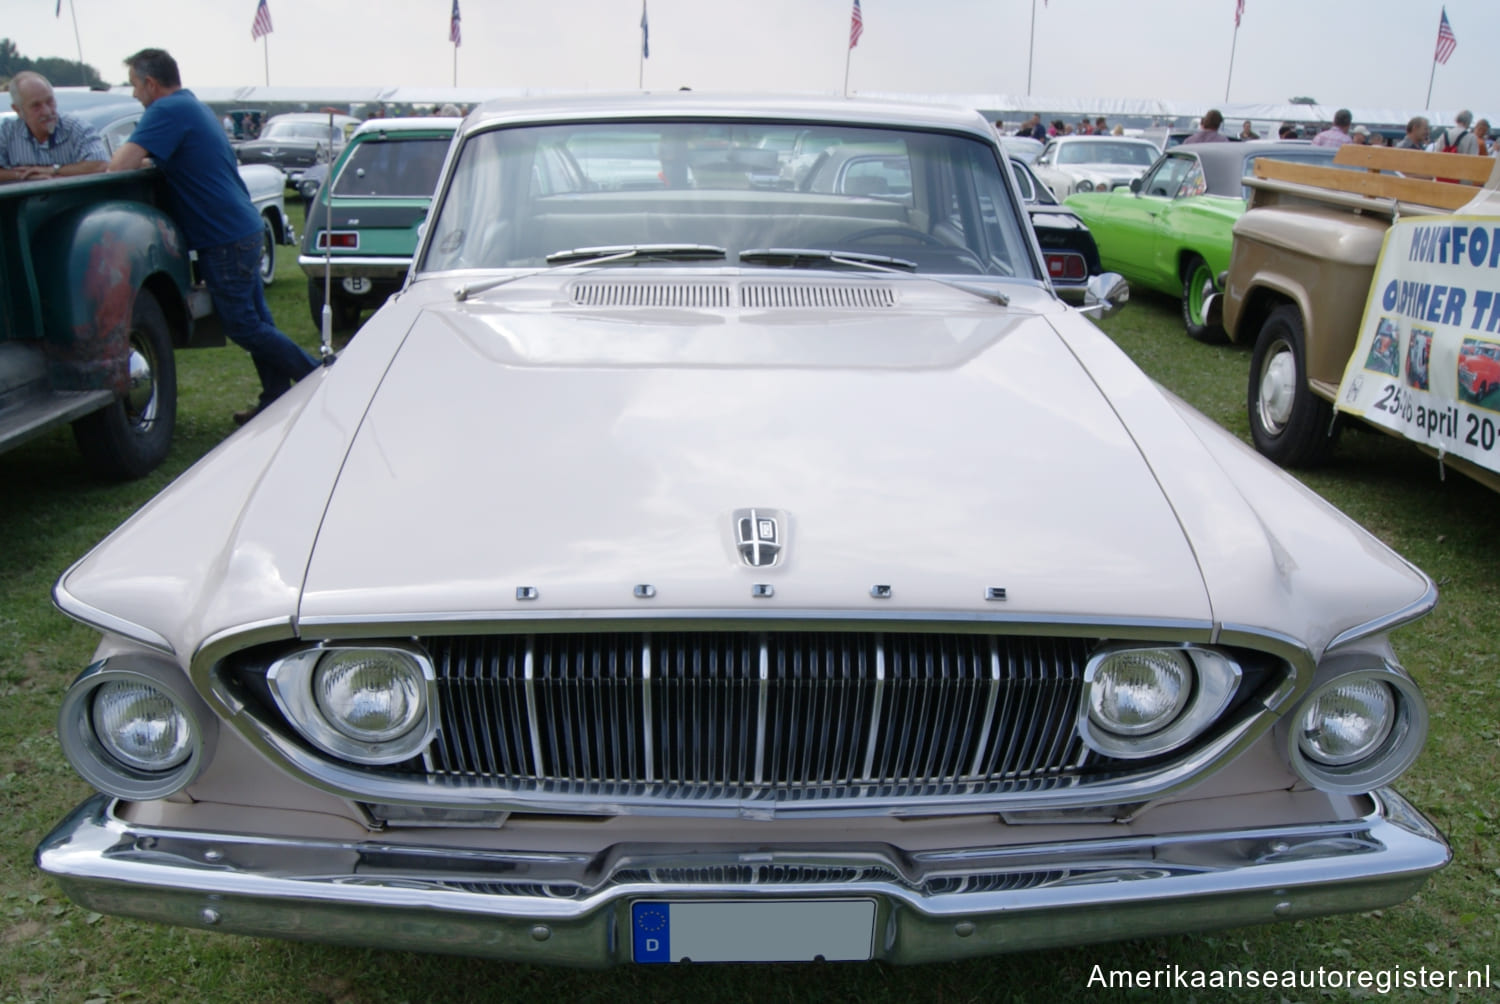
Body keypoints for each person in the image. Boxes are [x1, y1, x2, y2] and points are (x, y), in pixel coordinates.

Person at [108, 48, 318, 427]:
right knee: (258, 321)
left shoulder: (165, 111)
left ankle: (318, 377)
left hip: (223, 237)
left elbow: (118, 165)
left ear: (151, 83)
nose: (136, 95)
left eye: (136, 87)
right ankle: (276, 394)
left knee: (243, 325)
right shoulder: (193, 106)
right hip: (240, 228)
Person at [0, 71, 109, 183]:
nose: (47, 111)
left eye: (49, 101)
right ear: (18, 110)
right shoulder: (6, 132)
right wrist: (22, 175)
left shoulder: (76, 128)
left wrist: (53, 170)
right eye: (36, 106)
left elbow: (100, 165)